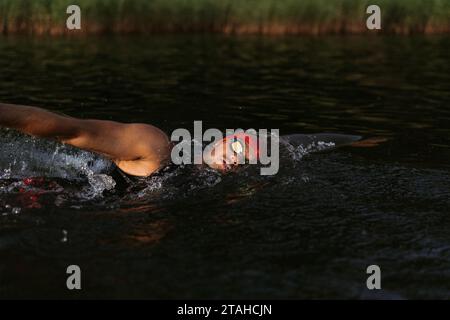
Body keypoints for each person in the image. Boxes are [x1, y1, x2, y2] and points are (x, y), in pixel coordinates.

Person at [0, 102, 385, 178]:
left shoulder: (215, 181)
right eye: (237, 147)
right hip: (46, 195)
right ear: (220, 139)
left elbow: (300, 141)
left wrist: (354, 140)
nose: (236, 160)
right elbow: (68, 128)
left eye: (246, 161)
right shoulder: (155, 147)